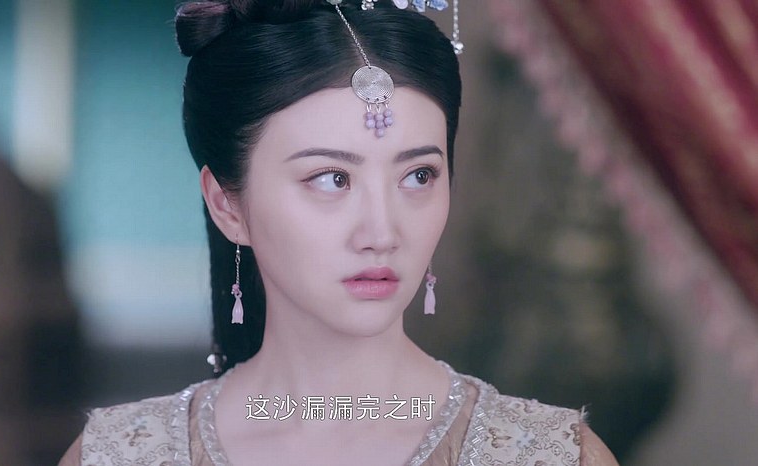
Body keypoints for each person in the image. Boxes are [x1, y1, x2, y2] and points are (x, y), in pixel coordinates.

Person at [60, 1, 618, 464]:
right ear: (226, 205)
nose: (382, 231)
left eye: (418, 175)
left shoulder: (549, 453)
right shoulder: (120, 454)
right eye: (332, 178)